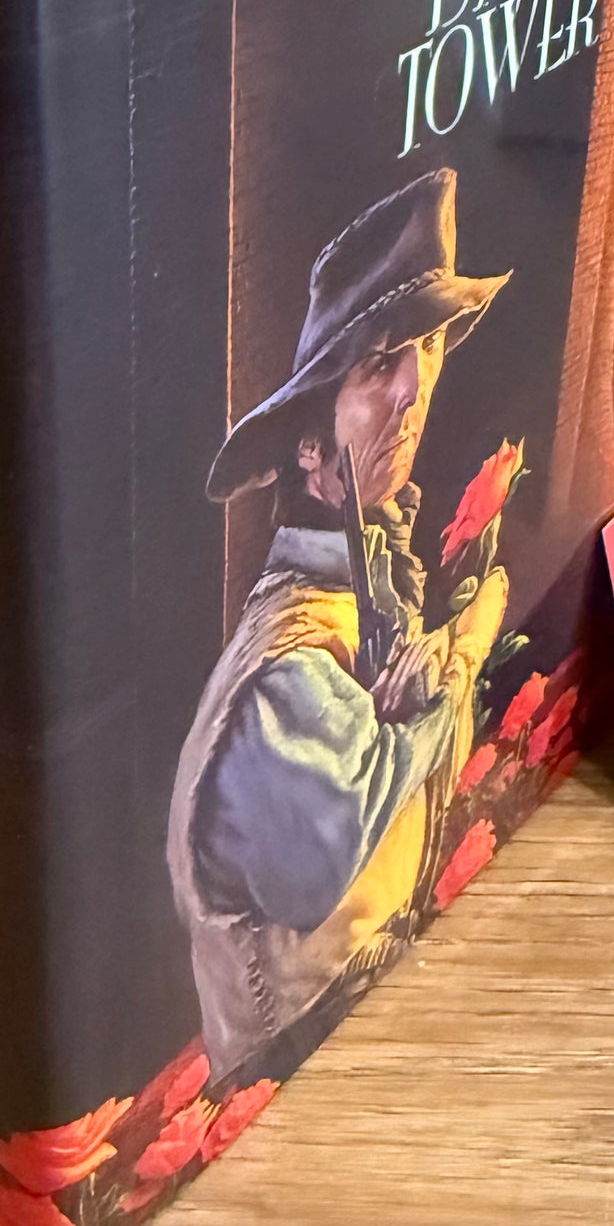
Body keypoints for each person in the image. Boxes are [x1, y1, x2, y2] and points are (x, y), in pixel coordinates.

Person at [167, 169, 511, 1078]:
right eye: (380, 364)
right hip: (297, 1070)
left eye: (427, 348)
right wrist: (457, 661)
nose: (416, 386)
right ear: (310, 449)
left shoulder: (368, 600)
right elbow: (324, 860)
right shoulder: (286, 667)